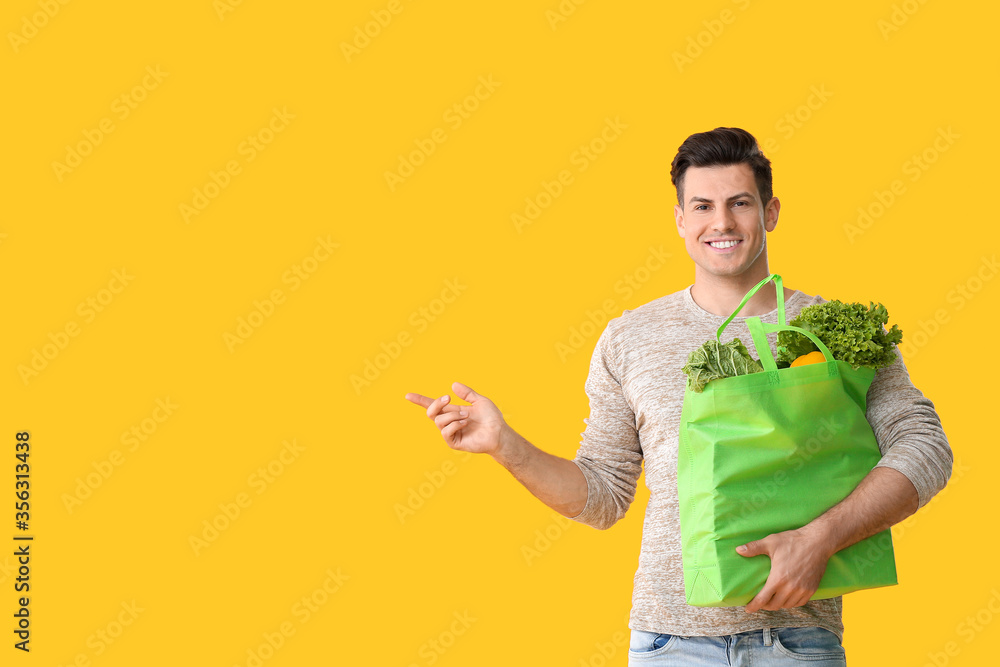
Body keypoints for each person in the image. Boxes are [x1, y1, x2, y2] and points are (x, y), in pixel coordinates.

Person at [404, 127, 952, 666]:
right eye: (703, 206)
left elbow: (926, 447)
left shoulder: (834, 330)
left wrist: (821, 540)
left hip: (797, 643)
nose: (722, 222)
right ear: (680, 219)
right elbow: (601, 495)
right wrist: (506, 445)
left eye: (740, 203)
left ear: (772, 211)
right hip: (669, 645)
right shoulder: (631, 338)